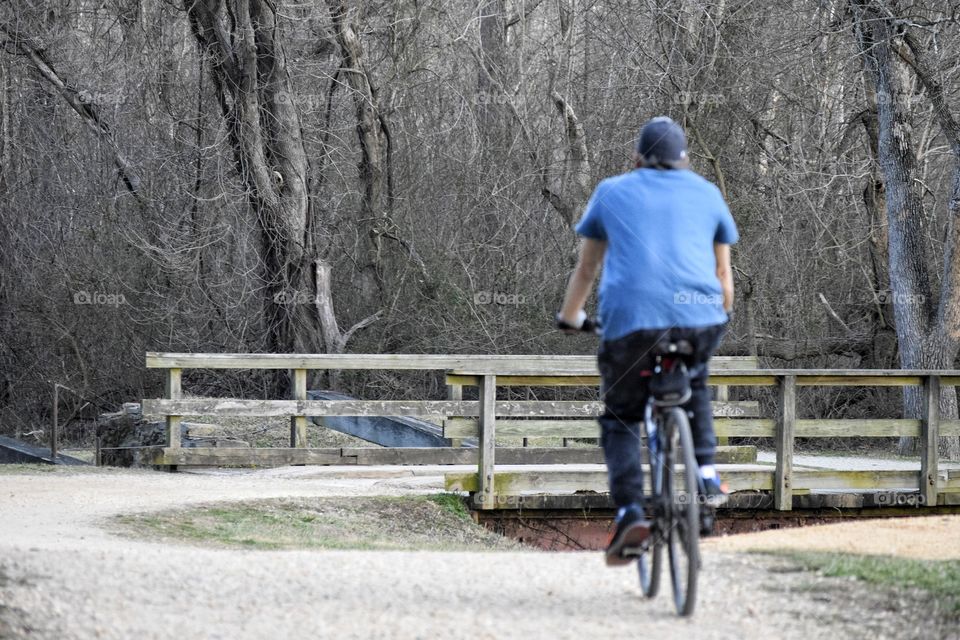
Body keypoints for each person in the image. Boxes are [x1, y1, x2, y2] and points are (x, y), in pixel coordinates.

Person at [556, 116, 738, 566]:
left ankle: (631, 511)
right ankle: (709, 473)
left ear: (636, 158)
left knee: (620, 417)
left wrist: (571, 317)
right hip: (700, 319)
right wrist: (719, 315)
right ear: (684, 159)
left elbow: (586, 270)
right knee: (694, 380)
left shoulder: (612, 191)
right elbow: (723, 276)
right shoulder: (708, 193)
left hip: (631, 323)